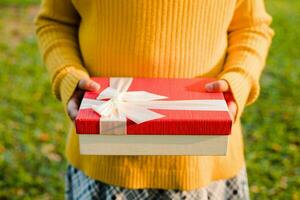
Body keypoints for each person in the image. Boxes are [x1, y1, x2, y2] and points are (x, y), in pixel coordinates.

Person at [35, 0, 274, 199]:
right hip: (103, 162)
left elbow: (252, 27)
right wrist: (66, 74)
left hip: (205, 165)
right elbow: (55, 21)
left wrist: (240, 79)